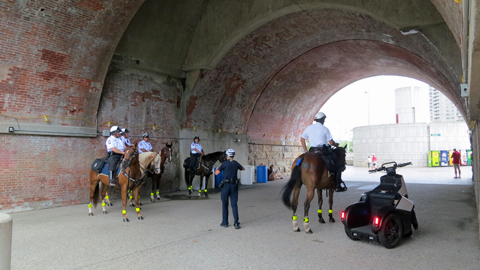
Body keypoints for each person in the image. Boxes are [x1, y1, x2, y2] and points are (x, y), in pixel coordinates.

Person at [300, 112, 347, 192]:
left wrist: (305, 150)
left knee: (300, 160)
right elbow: (331, 142)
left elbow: (302, 139)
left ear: (316, 120)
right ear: (323, 120)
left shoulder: (309, 128)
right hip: (323, 151)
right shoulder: (325, 129)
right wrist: (336, 144)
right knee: (338, 165)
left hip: (312, 151)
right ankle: (338, 185)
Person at [215, 149, 245, 229]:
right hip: (234, 186)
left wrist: (217, 168)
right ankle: (236, 223)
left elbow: (216, 173)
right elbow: (243, 168)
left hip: (226, 186)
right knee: (234, 204)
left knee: (225, 204)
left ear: (227, 156)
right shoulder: (236, 163)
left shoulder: (224, 163)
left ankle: (225, 222)